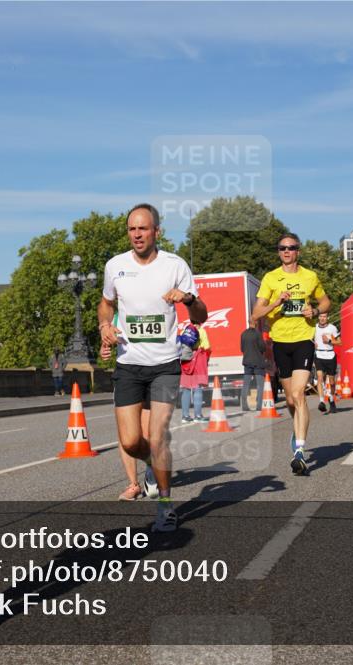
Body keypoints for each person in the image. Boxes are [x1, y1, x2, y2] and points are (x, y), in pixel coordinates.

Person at [99, 203, 207, 531]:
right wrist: (104, 325)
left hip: (164, 365)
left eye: (143, 228)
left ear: (156, 231)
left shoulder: (175, 265)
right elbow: (106, 303)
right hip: (128, 364)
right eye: (132, 229)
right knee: (131, 442)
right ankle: (152, 466)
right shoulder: (115, 266)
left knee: (157, 437)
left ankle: (165, 505)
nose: (137, 234)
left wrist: (188, 299)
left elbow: (201, 316)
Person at [251, 233, 331, 476]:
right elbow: (256, 314)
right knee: (289, 400)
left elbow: (326, 302)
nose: (286, 251)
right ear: (278, 252)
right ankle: (298, 430)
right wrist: (276, 303)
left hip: (303, 340)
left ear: (298, 251)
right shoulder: (271, 278)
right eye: (282, 248)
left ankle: (300, 450)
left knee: (298, 394)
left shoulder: (310, 276)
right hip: (280, 342)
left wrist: (314, 311)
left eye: (291, 247)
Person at [179, 319, 211, 423]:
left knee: (186, 388)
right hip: (197, 359)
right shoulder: (201, 331)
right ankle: (198, 416)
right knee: (198, 387)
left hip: (186, 361)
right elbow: (207, 347)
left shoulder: (184, 330)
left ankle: (185, 416)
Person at [313, 311, 340, 414]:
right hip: (319, 354)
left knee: (332, 382)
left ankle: (331, 399)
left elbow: (340, 342)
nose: (322, 318)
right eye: (321, 316)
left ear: (327, 318)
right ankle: (321, 402)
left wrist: (329, 341)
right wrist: (313, 344)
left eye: (324, 316)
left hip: (330, 355)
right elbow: (307, 339)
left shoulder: (332, 328)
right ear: (318, 317)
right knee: (320, 377)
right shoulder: (314, 327)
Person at [240, 321, 268, 411]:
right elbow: (263, 347)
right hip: (258, 362)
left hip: (247, 362)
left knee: (246, 384)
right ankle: (259, 406)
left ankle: (244, 406)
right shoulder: (258, 334)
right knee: (260, 385)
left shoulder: (243, 334)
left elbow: (242, 349)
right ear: (255, 323)